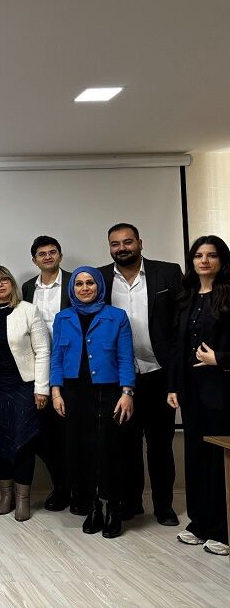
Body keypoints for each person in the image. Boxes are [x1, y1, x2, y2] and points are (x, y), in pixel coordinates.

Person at [99, 223, 182, 525]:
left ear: (140, 243)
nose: (122, 248)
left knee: (160, 445)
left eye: (128, 242)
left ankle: (164, 507)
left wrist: (177, 376)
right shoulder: (100, 278)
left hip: (158, 373)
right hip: (120, 378)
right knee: (126, 446)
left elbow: (180, 324)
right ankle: (131, 504)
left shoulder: (168, 273)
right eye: (115, 243)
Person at [50, 267, 135, 538]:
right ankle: (93, 507)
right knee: (82, 451)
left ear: (99, 286)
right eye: (79, 284)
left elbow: (125, 358)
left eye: (90, 283)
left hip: (109, 393)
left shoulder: (117, 317)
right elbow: (56, 358)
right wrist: (56, 392)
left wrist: (127, 393)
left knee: (109, 451)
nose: (84, 288)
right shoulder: (62, 318)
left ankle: (114, 509)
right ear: (72, 289)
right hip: (74, 393)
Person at [168, 235, 230, 556]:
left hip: (221, 392)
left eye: (212, 255)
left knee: (220, 462)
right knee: (195, 458)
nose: (204, 261)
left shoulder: (228, 296)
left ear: (222, 260)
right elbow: (177, 348)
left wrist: (219, 358)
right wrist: (173, 386)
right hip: (191, 392)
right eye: (198, 255)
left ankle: (224, 530)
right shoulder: (186, 297)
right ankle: (200, 523)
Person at [0, 266, 50, 522]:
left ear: (12, 283)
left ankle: (23, 498)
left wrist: (41, 389)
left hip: (23, 387)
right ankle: (6, 494)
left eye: (4, 279)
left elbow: (43, 351)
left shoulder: (28, 310)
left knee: (24, 442)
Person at [21, 235, 75, 513]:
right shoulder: (27, 287)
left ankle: (78, 489)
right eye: (42, 254)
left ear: (60, 256)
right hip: (39, 369)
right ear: (34, 260)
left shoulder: (76, 282)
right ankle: (61, 487)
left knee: (72, 432)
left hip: (72, 366)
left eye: (53, 252)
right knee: (45, 435)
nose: (48, 257)